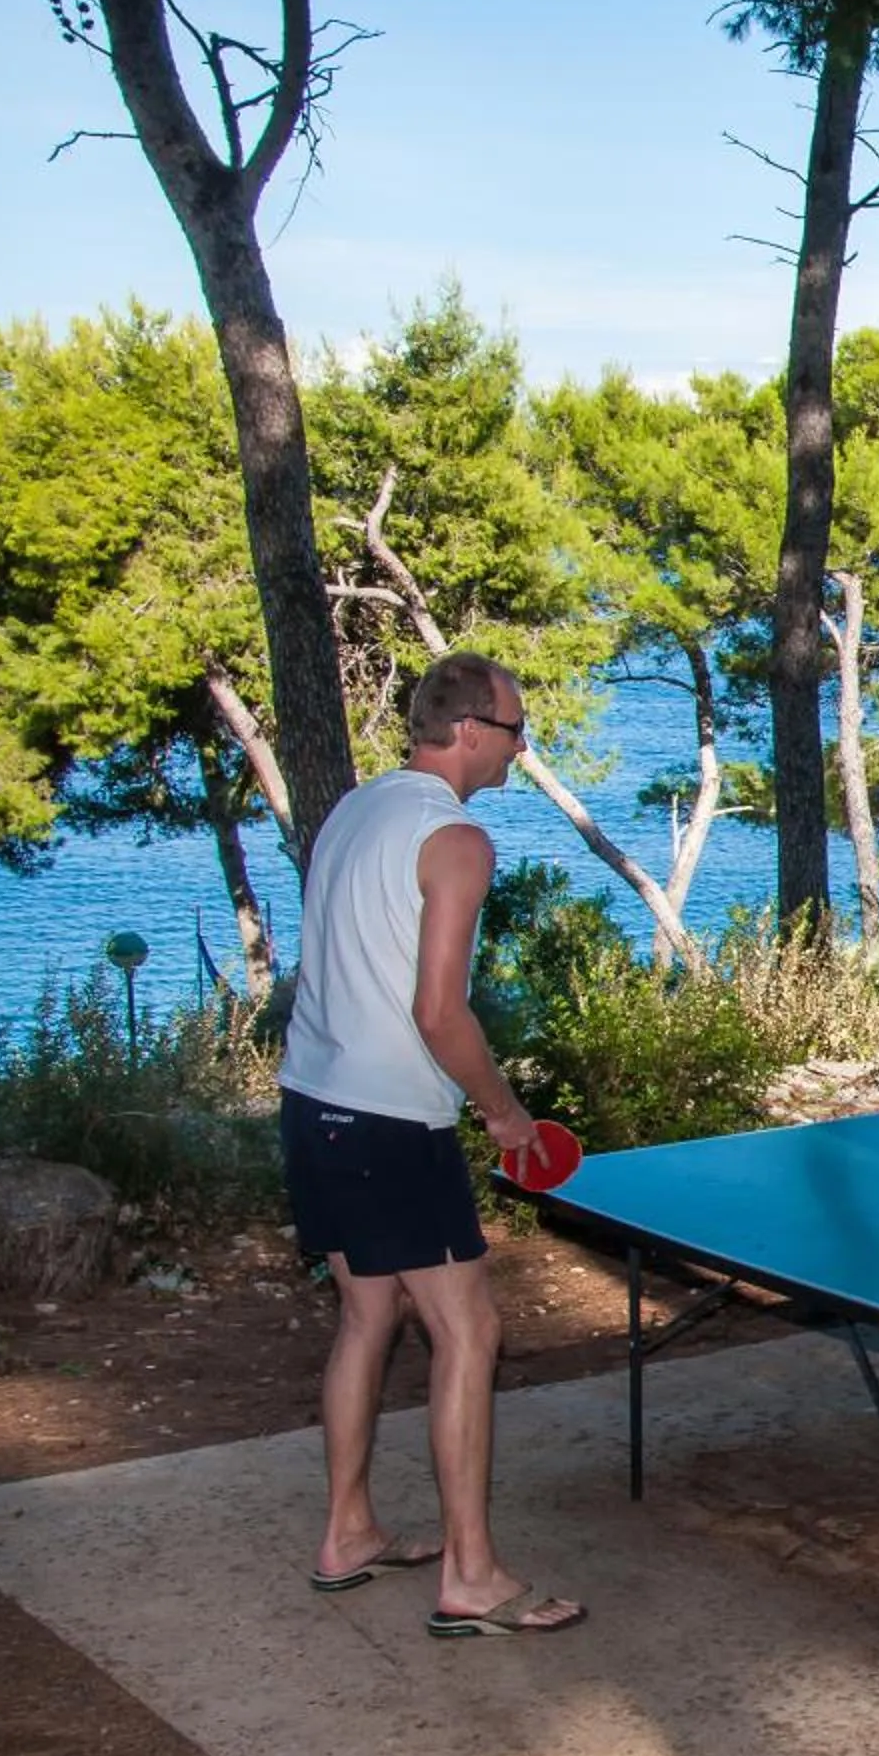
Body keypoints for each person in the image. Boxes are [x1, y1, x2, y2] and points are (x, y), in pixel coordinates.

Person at [276, 652, 584, 1637]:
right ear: (467, 732)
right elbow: (438, 1011)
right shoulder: (456, 839)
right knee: (470, 1331)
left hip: (311, 1101)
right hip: (387, 1123)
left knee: (368, 1318)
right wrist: (502, 1109)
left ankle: (349, 1532)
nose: (520, 748)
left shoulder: (354, 811)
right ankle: (473, 1575)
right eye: (514, 730)